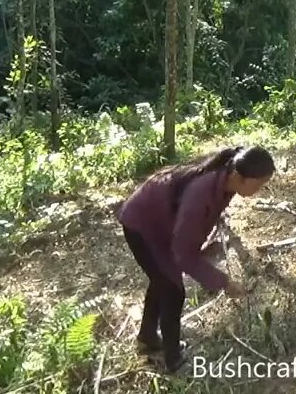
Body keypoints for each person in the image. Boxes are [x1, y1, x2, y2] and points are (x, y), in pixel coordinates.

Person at [117, 144, 275, 371]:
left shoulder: (225, 182)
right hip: (142, 225)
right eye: (258, 184)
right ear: (240, 177)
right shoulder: (201, 193)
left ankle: (147, 338)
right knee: (173, 291)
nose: (260, 189)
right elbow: (184, 255)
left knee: (162, 282)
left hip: (161, 224)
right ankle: (173, 362)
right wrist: (224, 282)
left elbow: (198, 227)